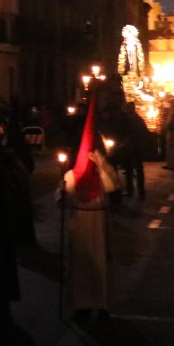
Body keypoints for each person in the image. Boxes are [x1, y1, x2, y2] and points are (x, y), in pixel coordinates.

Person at [60, 102, 117, 325]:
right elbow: (64, 196)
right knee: (82, 266)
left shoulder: (104, 170)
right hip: (81, 222)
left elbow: (112, 186)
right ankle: (82, 305)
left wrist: (102, 167)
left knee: (101, 264)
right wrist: (63, 189)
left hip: (99, 221)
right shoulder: (72, 174)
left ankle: (102, 305)